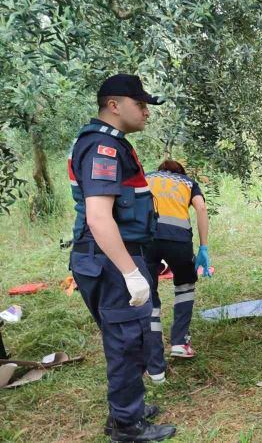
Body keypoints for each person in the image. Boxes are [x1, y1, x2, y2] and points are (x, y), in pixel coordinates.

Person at [68, 74, 176, 441]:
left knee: (129, 337)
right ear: (114, 106)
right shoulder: (103, 147)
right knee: (126, 341)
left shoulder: (112, 144)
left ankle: (128, 408)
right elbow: (99, 217)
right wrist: (130, 272)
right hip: (109, 261)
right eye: (140, 105)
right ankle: (127, 425)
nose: (146, 112)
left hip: (115, 257)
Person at [143, 159, 210, 382]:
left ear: (160, 170)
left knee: (148, 296)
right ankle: (180, 342)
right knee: (185, 284)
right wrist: (203, 245)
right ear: (180, 172)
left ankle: (155, 367)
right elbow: (200, 207)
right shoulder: (188, 182)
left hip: (146, 238)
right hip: (178, 239)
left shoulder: (147, 177)